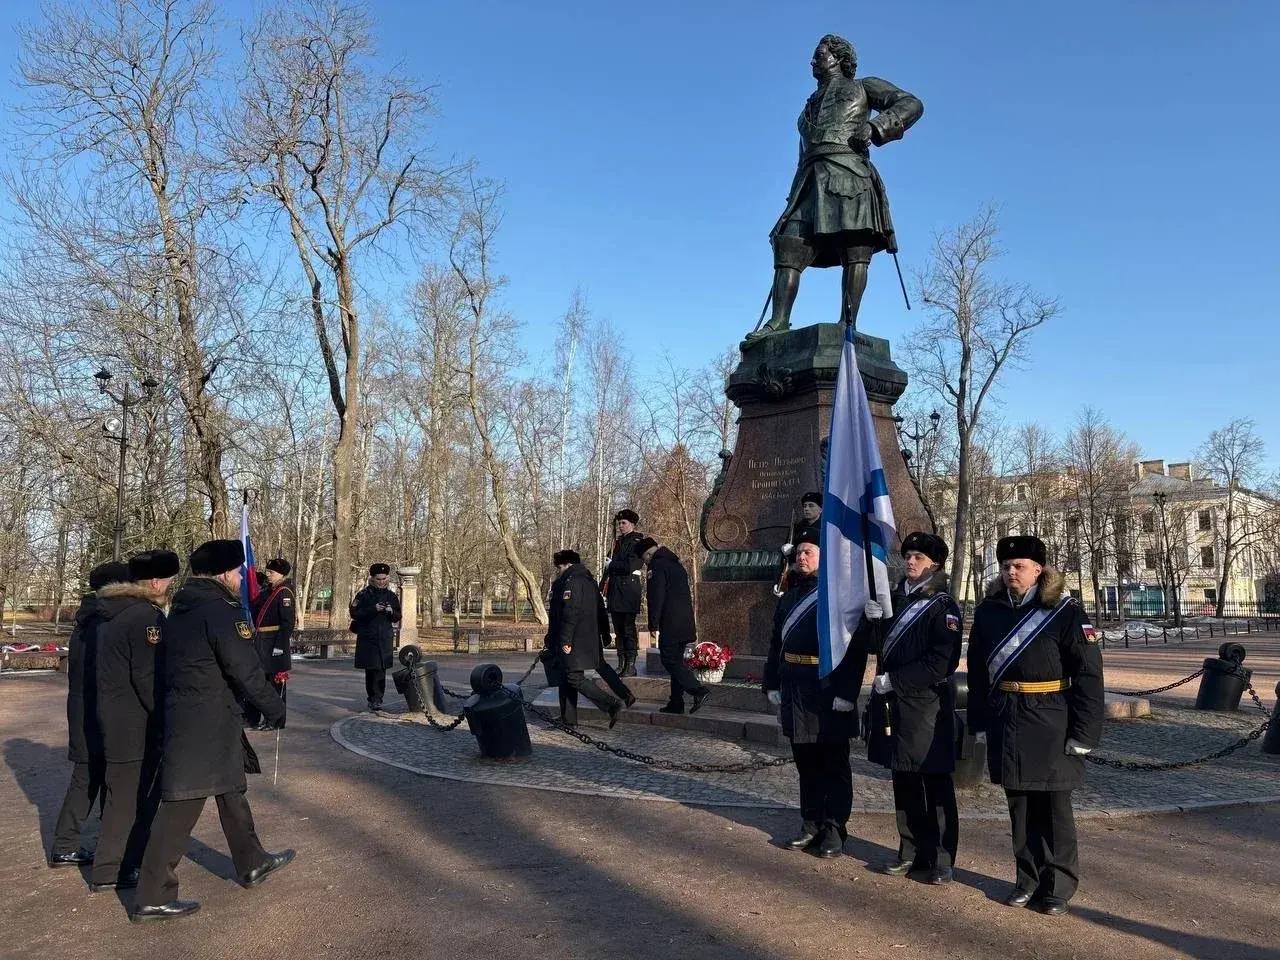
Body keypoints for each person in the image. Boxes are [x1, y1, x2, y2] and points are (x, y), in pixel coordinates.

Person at [131, 539, 291, 923]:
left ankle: (252, 861)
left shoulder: (183, 607)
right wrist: (274, 708)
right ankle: (152, 895)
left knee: (231, 789)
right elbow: (245, 668)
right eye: (236, 571)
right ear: (223, 573)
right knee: (181, 805)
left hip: (198, 716)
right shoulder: (221, 611)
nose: (239, 577)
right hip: (205, 721)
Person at [745, 33, 922, 343]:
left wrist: (876, 127)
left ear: (839, 58)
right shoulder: (808, 107)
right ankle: (779, 321)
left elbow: (911, 103)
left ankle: (847, 322)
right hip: (810, 181)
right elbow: (802, 156)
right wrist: (793, 194)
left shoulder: (864, 86)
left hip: (849, 174)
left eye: (820, 55)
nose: (813, 61)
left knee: (855, 247)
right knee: (789, 244)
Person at [966, 535, 1105, 917]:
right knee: (1020, 807)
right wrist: (979, 721)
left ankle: (1057, 886)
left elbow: (1089, 675)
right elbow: (977, 672)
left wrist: (1084, 733)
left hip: (1051, 719)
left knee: (1055, 810)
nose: (1011, 572)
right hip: (1006, 717)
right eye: (1006, 566)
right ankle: (1026, 879)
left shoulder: (1064, 612)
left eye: (1019, 566)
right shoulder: (989, 611)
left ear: (1038, 569)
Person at [861, 532, 962, 884]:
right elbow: (877, 647)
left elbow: (942, 662)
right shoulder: (894, 599)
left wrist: (897, 680)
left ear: (935, 565)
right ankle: (910, 850)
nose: (910, 561)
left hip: (926, 706)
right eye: (907, 556)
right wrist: (872, 621)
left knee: (934, 783)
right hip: (894, 705)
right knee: (902, 779)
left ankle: (942, 858)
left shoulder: (943, 606)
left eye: (918, 557)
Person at [763, 535, 864, 857]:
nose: (801, 557)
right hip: (795, 687)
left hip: (827, 688)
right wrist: (771, 683)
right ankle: (811, 823)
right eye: (798, 553)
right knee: (805, 763)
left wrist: (847, 692)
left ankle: (834, 828)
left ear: (824, 557)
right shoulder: (789, 596)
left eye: (808, 552)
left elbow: (854, 649)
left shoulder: (838, 595)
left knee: (833, 763)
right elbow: (776, 644)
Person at [89, 549, 179, 892]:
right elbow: (148, 677)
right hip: (135, 723)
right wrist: (165, 718)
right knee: (129, 798)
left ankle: (114, 865)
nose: (169, 587)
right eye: (168, 581)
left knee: (121, 795)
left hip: (114, 715)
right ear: (155, 581)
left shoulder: (113, 611)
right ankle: (113, 869)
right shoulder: (145, 617)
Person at [48, 559, 129, 869]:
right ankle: (93, 845)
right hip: (97, 710)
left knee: (89, 776)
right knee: (95, 778)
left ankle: (67, 844)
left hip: (84, 708)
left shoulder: (88, 618)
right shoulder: (102, 621)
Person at [545, 549, 635, 727]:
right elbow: (601, 609)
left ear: (568, 565)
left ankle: (611, 704)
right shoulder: (589, 580)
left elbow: (569, 612)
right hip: (589, 636)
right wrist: (604, 632)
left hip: (574, 638)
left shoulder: (571, 582)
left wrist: (565, 640)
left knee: (573, 677)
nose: (558, 571)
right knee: (569, 674)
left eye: (560, 567)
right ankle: (568, 719)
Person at [634, 537, 708, 715]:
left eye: (644, 559)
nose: (645, 563)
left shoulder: (657, 565)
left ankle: (698, 690)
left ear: (648, 554)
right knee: (676, 661)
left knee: (669, 660)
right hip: (684, 622)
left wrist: (653, 624)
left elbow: (656, 597)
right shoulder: (675, 563)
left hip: (670, 622)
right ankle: (676, 702)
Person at [249, 558, 296, 730]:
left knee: (276, 686)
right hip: (263, 642)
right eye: (268, 571)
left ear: (281, 574)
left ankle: (277, 720)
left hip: (274, 644)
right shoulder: (269, 590)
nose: (268, 575)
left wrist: (280, 646)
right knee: (264, 685)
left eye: (271, 572)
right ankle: (267, 718)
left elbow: (287, 623)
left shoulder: (284, 592)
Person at [350, 563, 401, 711]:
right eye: (378, 579)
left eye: (384, 579)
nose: (382, 582)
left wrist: (391, 611)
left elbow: (398, 616)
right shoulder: (363, 595)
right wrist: (373, 609)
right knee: (371, 669)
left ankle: (378, 698)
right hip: (368, 638)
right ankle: (372, 697)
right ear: (372, 579)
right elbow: (354, 613)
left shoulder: (391, 596)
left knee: (381, 669)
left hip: (384, 637)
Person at [603, 509, 645, 676]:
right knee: (619, 631)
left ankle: (631, 665)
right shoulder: (617, 543)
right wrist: (601, 589)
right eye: (619, 523)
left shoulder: (637, 542)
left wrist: (612, 565)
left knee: (628, 629)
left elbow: (631, 566)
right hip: (615, 591)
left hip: (628, 591)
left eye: (623, 523)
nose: (620, 526)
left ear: (632, 524)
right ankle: (621, 663)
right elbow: (607, 568)